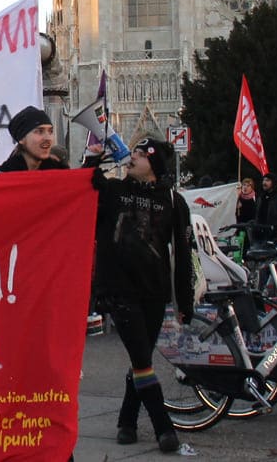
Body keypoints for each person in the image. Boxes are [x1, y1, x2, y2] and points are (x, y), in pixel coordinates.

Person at [91, 137, 194, 453]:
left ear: (155, 164)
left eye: (140, 153)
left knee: (141, 359)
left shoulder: (174, 202)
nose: (132, 157)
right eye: (132, 151)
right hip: (119, 289)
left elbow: (183, 252)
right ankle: (164, 427)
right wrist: (94, 157)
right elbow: (85, 185)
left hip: (154, 290)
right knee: (140, 356)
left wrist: (184, 300)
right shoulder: (114, 192)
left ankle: (127, 420)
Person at [0, 106, 66, 172]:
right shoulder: (2, 177)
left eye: (50, 131)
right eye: (39, 131)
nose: (48, 138)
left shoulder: (60, 173)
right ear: (21, 139)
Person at [254, 172, 277, 241]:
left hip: (274, 235)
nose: (264, 183)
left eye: (267, 180)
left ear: (273, 182)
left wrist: (274, 226)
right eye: (264, 180)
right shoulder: (261, 197)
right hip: (260, 234)